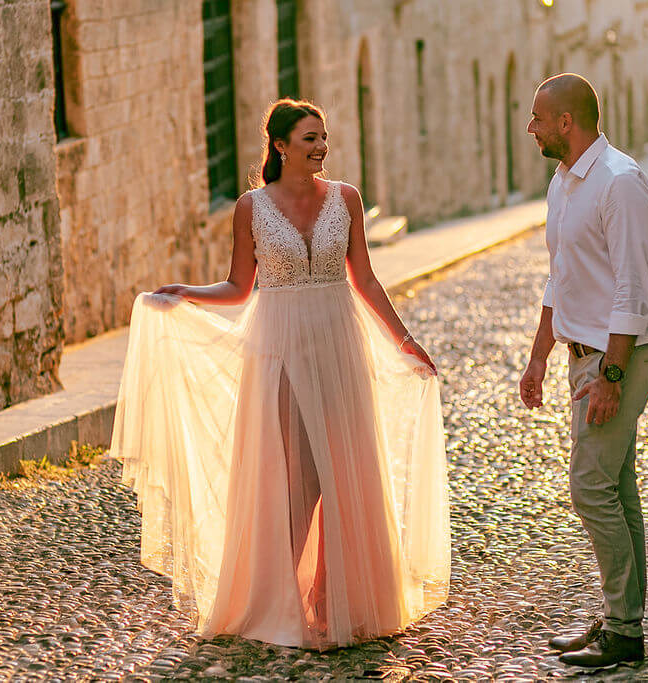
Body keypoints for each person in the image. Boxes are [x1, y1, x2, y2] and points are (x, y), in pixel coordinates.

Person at [109, 99, 450, 650]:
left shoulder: (346, 199)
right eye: (310, 138)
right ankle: (282, 598)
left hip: (340, 346)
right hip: (282, 349)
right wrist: (187, 293)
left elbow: (364, 278)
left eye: (324, 137)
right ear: (281, 146)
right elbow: (238, 287)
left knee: (346, 471)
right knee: (299, 479)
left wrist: (404, 340)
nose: (321, 147)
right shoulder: (252, 207)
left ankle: (334, 598)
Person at [520, 74, 648, 668]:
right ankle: (623, 622)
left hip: (617, 361)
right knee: (616, 487)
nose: (530, 127)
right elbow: (562, 277)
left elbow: (633, 288)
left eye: (538, 117)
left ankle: (624, 628)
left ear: (566, 122)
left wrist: (611, 377)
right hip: (583, 357)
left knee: (590, 487)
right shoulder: (563, 182)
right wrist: (540, 355)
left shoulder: (619, 181)